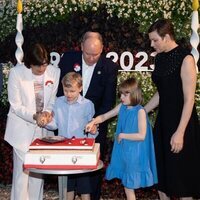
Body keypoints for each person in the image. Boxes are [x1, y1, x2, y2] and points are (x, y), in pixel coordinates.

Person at [58, 31, 118, 200]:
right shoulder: (68, 59)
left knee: (91, 175)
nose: (92, 58)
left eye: (96, 54)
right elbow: (59, 93)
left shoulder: (109, 67)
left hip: (95, 125)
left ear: (102, 50)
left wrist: (95, 122)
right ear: (81, 47)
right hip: (68, 129)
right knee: (68, 174)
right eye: (88, 54)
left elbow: (108, 102)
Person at [145, 18, 200, 200]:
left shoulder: (186, 59)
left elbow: (189, 99)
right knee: (162, 178)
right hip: (163, 123)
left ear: (167, 36)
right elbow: (162, 94)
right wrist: (142, 111)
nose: (152, 44)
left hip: (181, 124)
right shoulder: (160, 58)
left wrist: (180, 132)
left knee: (182, 181)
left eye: (155, 40)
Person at [4, 43, 60, 200]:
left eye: (44, 64)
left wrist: (48, 113)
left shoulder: (55, 72)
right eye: (38, 66)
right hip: (22, 128)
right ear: (29, 63)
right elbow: (15, 105)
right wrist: (35, 116)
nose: (42, 69)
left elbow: (53, 100)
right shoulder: (17, 73)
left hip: (43, 130)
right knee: (22, 174)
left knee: (38, 173)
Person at [86, 77, 158, 200]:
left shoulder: (140, 111)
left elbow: (142, 135)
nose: (122, 98)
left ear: (134, 94)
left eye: (126, 94)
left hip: (134, 153)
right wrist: (93, 122)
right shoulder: (122, 107)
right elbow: (105, 116)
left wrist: (123, 135)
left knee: (128, 186)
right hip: (124, 151)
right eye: (121, 94)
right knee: (127, 186)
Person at [41, 72, 95, 200]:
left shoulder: (88, 105)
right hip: (63, 150)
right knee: (66, 186)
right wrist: (46, 122)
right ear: (62, 87)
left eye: (72, 91)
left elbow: (92, 126)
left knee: (84, 187)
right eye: (66, 90)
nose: (69, 94)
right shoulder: (58, 102)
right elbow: (55, 125)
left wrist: (93, 131)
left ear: (80, 89)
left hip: (82, 150)